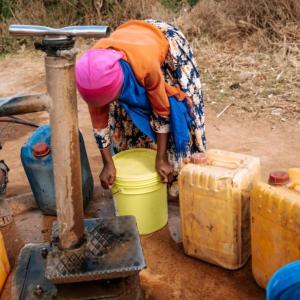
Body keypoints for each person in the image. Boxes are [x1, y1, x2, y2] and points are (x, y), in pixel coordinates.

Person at [75, 19, 206, 195]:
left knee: (178, 110)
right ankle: (146, 174)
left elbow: (162, 111)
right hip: (130, 39)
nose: (107, 104)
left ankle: (177, 177)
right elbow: (99, 123)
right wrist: (107, 162)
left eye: (111, 98)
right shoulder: (92, 74)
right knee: (123, 116)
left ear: (119, 86)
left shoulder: (145, 65)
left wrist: (161, 157)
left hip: (161, 41)